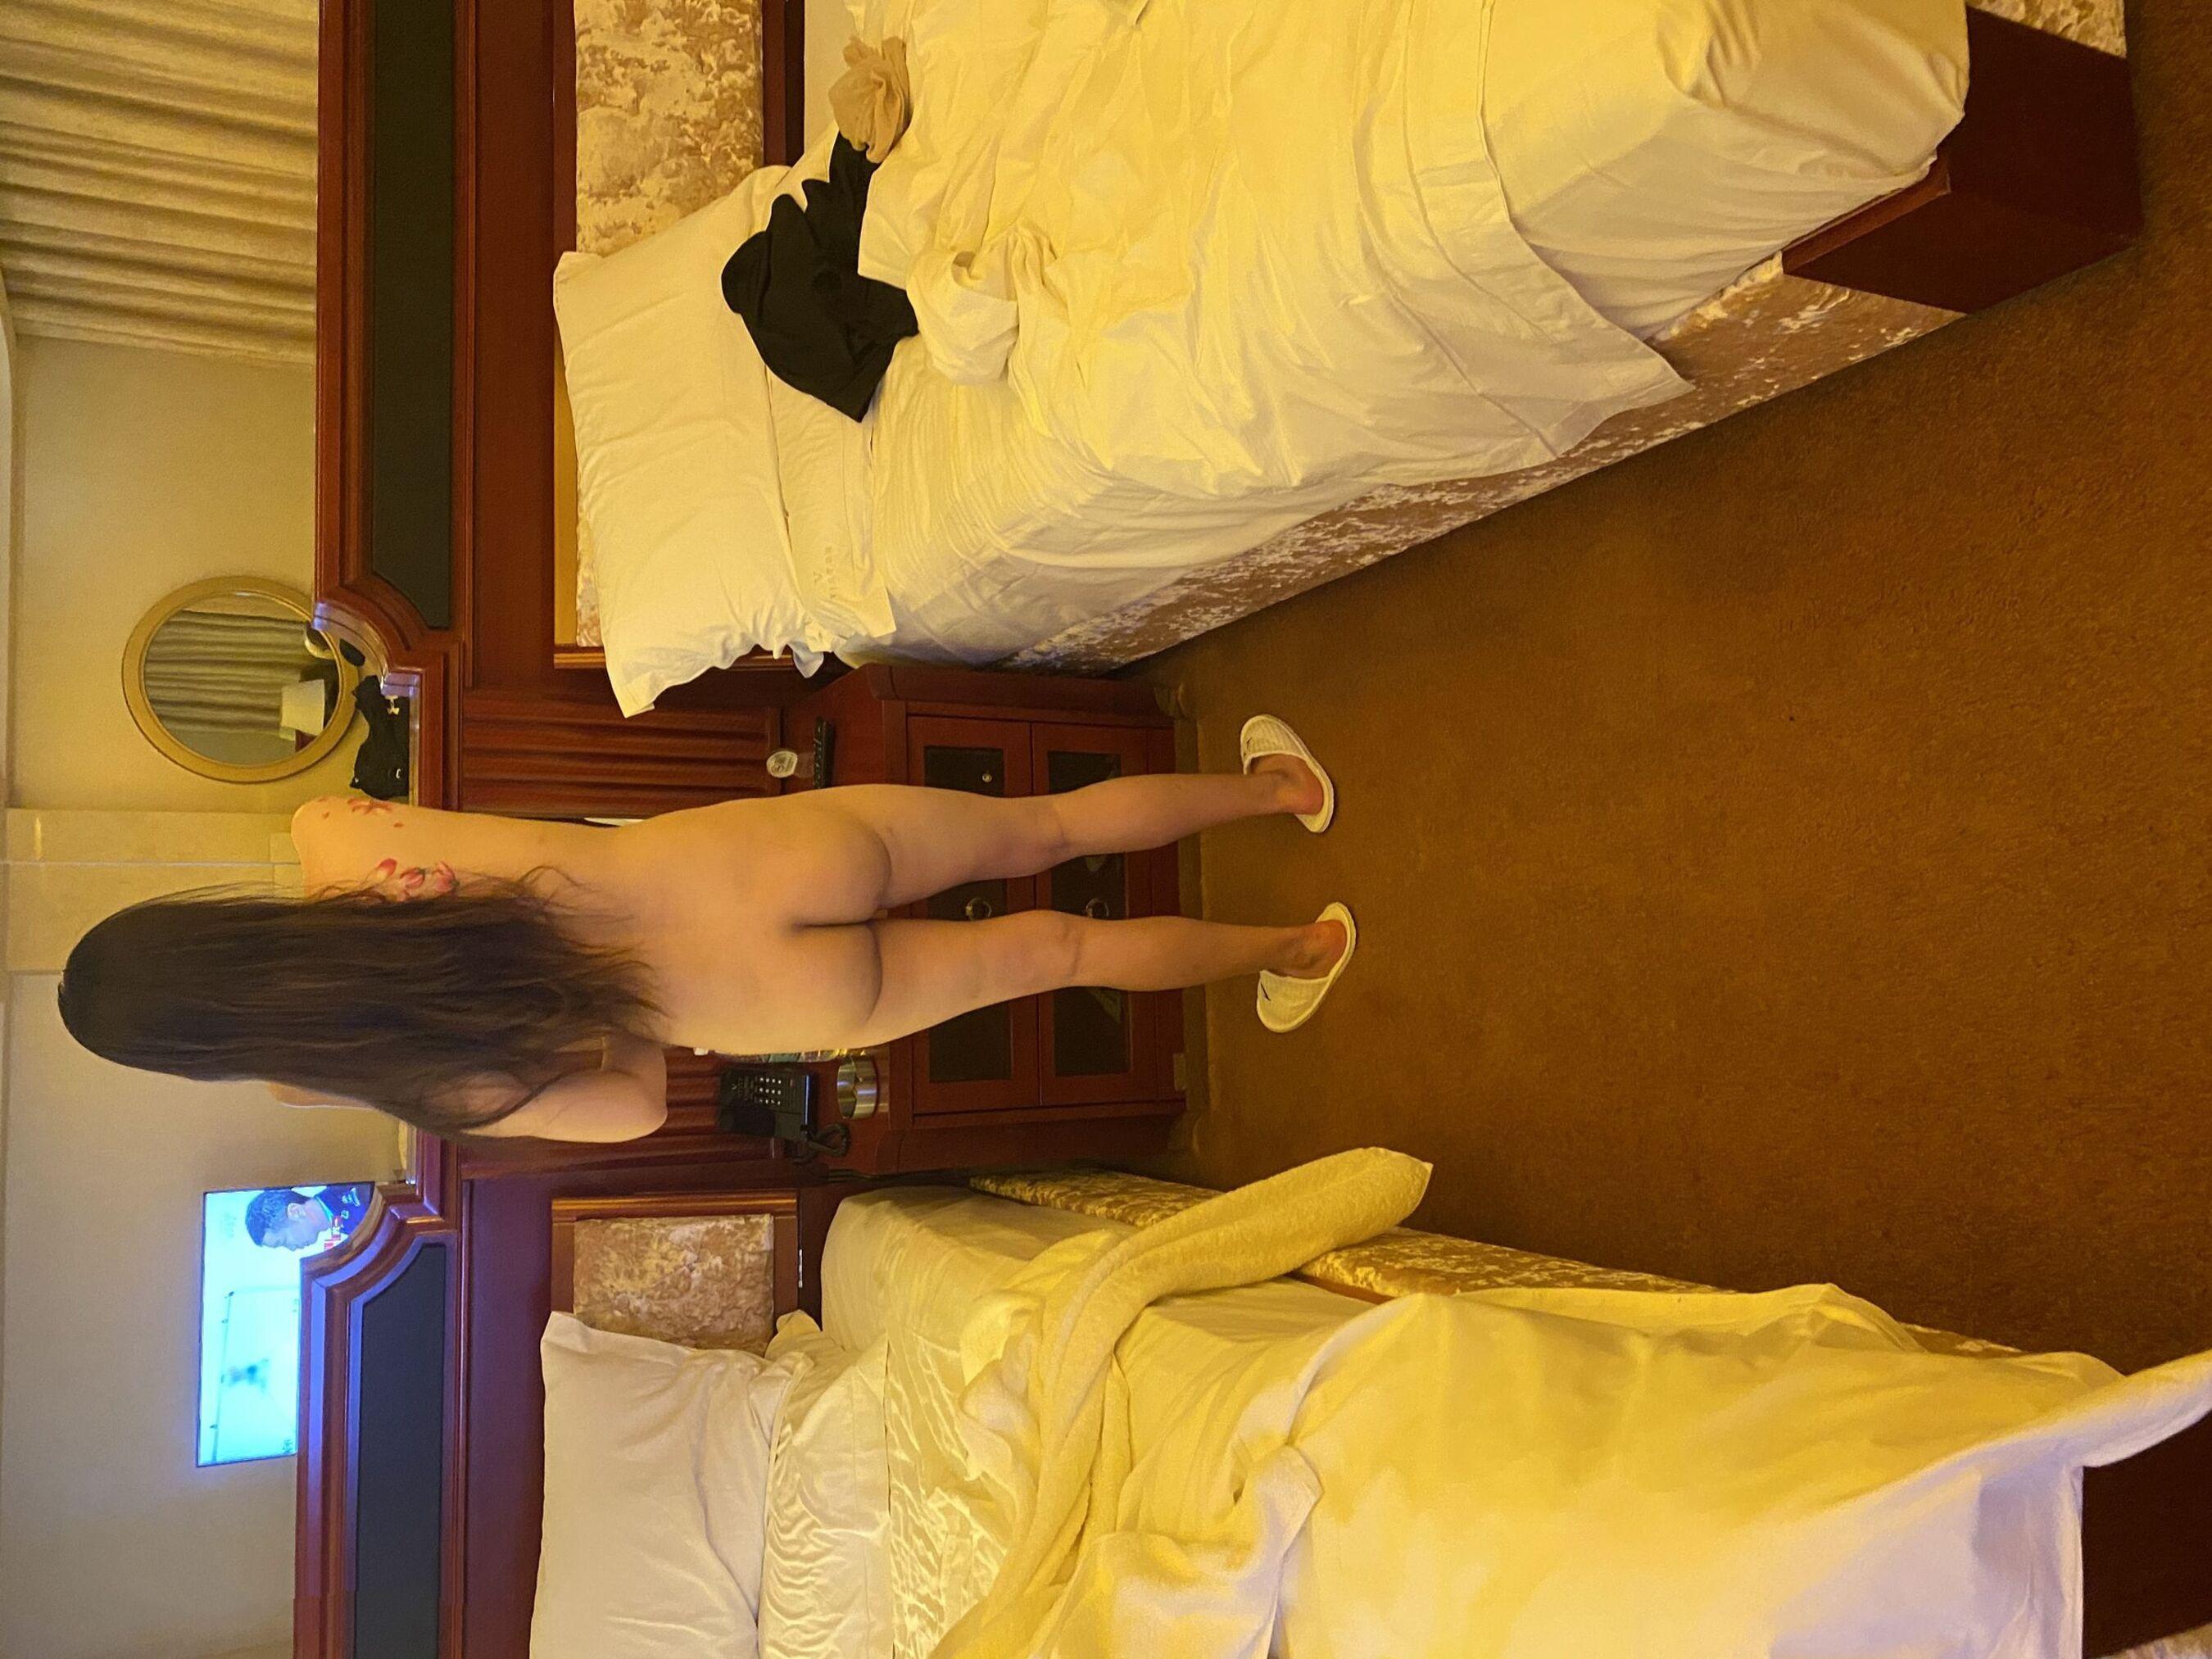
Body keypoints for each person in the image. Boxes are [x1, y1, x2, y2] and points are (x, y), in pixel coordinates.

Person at [57, 717, 1356, 1145]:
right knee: (1048, 826)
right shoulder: (334, 839)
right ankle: (1278, 791)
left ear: (202, 1052)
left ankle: (1295, 950)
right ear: (200, 930)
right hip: (749, 858)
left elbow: (631, 1107)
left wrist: (601, 1006)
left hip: (769, 1001)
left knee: (1062, 953)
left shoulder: (383, 1073)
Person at [243, 1184, 375, 1252]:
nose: (292, 1249)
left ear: (295, 1212)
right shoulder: (343, 1228)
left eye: (284, 1241)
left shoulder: (350, 1188)